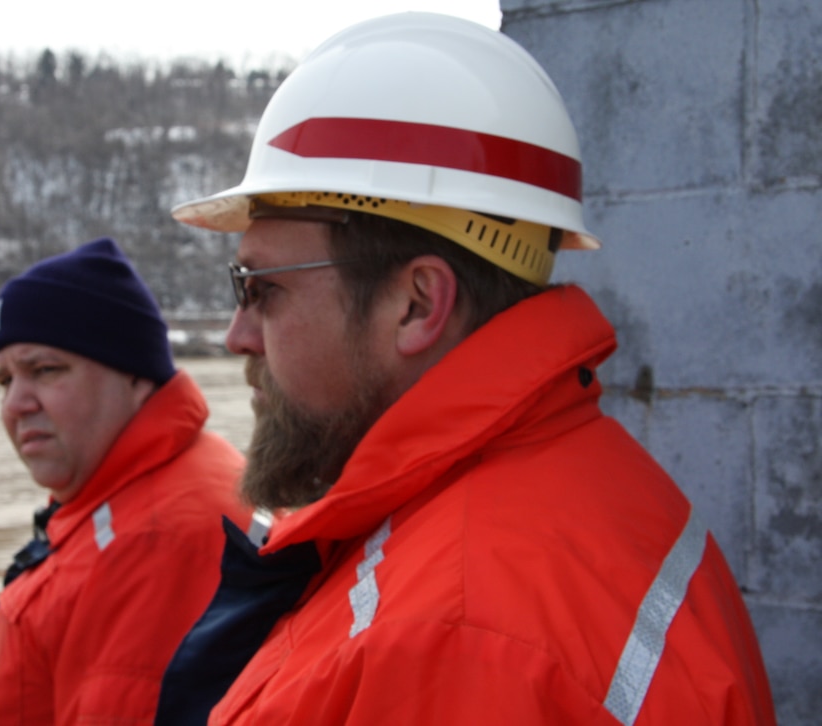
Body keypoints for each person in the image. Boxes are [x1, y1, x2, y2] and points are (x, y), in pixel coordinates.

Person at [154, 12, 777, 726]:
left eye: (261, 290)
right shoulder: (567, 491)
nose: (237, 336)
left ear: (417, 304)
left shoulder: (454, 638)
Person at [0, 237, 251, 726]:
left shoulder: (158, 538)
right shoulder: (115, 505)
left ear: (134, 375)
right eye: (4, 382)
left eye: (44, 370)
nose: (15, 405)